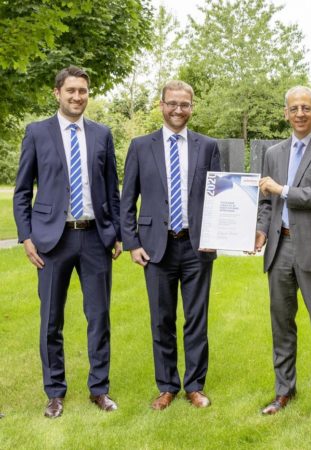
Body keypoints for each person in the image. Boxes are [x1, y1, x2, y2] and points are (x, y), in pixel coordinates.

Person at [13, 66, 122, 418]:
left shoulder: (102, 134)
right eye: (71, 90)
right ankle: (55, 392)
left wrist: (117, 233)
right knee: (51, 320)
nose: (78, 97)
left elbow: (112, 190)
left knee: (99, 317)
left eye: (83, 91)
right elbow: (22, 191)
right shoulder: (37, 133)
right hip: (51, 240)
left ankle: (99, 389)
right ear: (57, 93)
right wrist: (26, 236)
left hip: (95, 238)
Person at [121, 80, 221, 410]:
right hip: (155, 247)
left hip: (197, 246)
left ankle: (194, 385)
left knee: (196, 319)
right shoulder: (140, 146)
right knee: (161, 320)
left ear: (192, 107)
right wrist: (132, 242)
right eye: (172, 103)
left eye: (185, 104)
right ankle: (166, 386)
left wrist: (220, 236)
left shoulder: (208, 146)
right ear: (162, 105)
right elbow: (127, 200)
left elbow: (219, 197)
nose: (178, 109)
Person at [255, 86, 311, 417]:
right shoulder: (274, 153)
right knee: (281, 323)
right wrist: (261, 229)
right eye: (293, 108)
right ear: (285, 114)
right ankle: (284, 391)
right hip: (279, 246)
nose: (300, 114)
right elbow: (266, 202)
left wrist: (283, 189)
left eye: (306, 107)